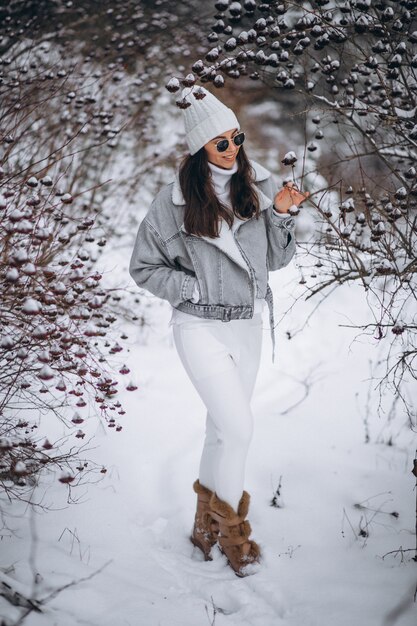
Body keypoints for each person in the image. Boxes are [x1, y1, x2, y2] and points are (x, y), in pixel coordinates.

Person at [129, 86, 309, 577]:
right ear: (199, 149)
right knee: (238, 428)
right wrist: (190, 285)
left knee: (220, 431)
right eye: (221, 143)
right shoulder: (173, 203)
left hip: (247, 325)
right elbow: (143, 268)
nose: (233, 149)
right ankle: (233, 536)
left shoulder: (258, 187)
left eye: (237, 138)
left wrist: (283, 215)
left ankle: (203, 526)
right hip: (200, 326)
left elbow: (276, 258)